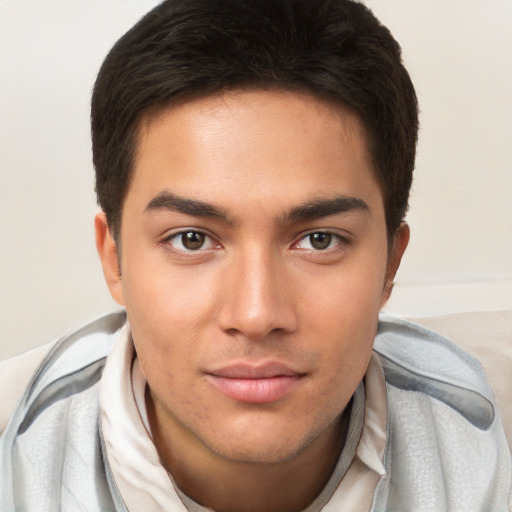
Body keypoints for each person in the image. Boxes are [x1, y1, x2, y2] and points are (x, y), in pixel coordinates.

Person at [0, 0, 510, 510]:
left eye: (319, 240)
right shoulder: (15, 455)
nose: (256, 314)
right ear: (114, 259)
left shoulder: (480, 429)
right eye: (192, 239)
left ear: (389, 266)